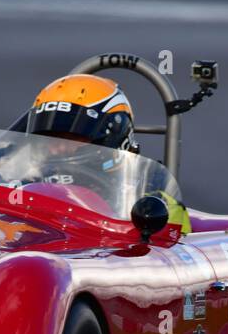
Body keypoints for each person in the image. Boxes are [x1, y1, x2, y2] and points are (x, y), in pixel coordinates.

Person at [25, 74, 191, 234]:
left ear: (111, 138)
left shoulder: (151, 194)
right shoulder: (24, 185)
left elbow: (176, 251)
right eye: (50, 138)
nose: (58, 149)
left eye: (72, 138)